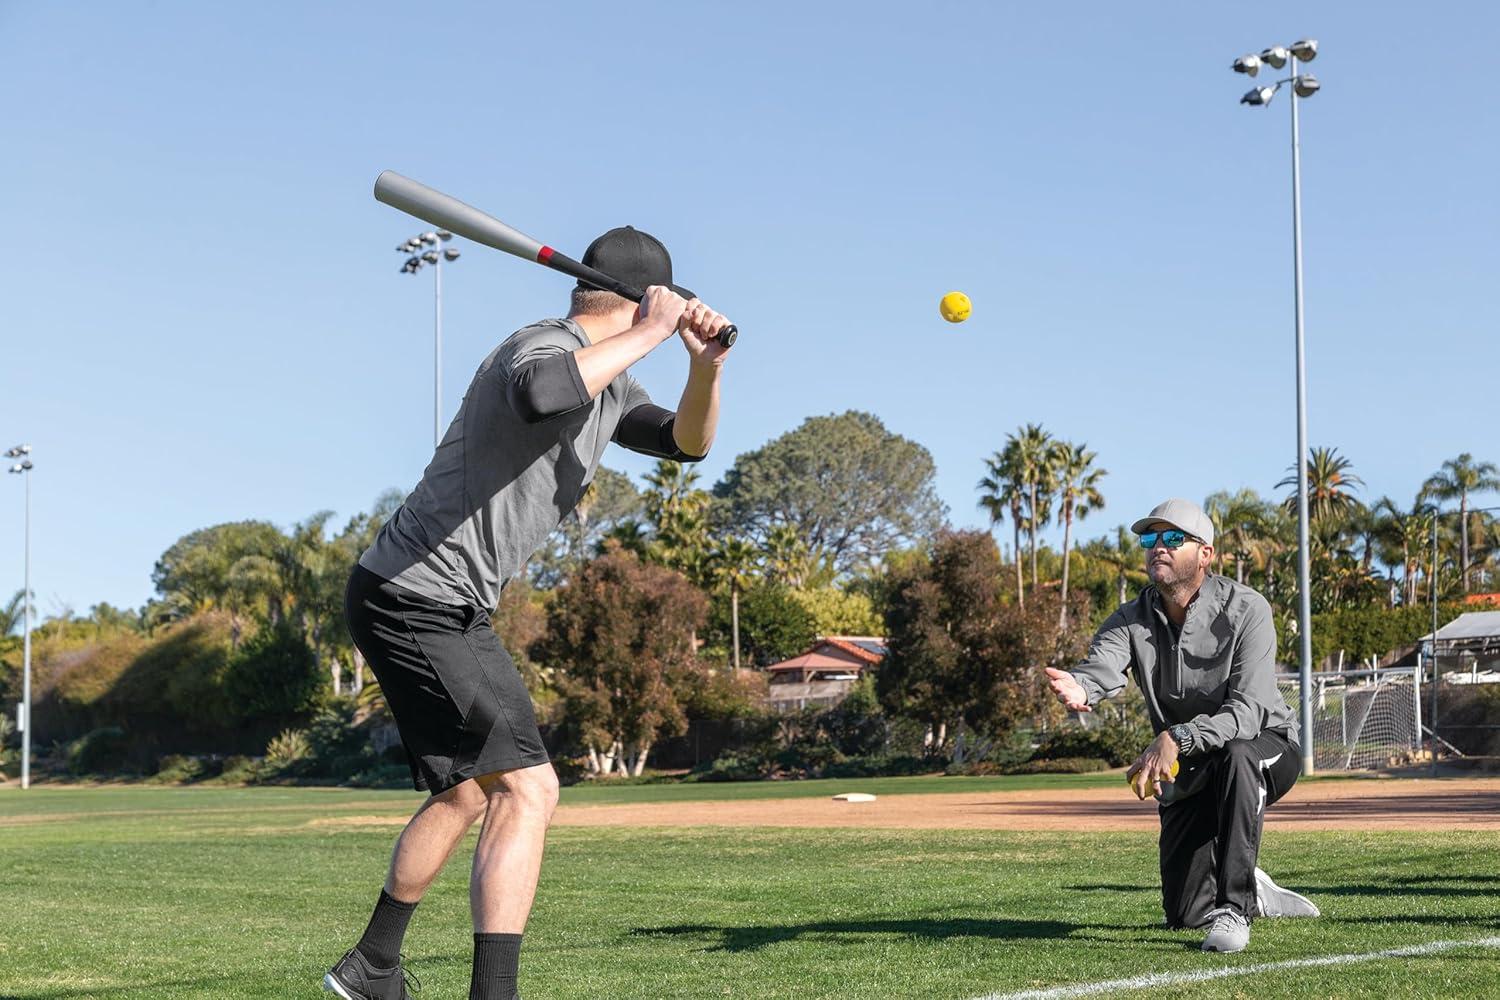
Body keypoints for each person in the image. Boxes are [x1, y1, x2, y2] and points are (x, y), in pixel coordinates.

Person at [324, 226, 734, 1000]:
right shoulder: (542, 346)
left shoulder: (612, 383)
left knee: (469, 790)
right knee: (530, 789)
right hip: (419, 593)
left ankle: (372, 964)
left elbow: (686, 444)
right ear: (648, 297)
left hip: (426, 598)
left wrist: (705, 369)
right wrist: (652, 330)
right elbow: (541, 393)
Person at [1044, 498, 1321, 953]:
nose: (1158, 547)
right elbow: (1103, 667)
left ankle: (1236, 906)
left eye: (1173, 538)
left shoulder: (1248, 609)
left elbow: (1248, 712)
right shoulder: (1128, 619)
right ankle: (1250, 881)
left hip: (1264, 744)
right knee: (1185, 914)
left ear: (1205, 553)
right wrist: (1082, 687)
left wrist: (1177, 736)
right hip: (1191, 762)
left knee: (1238, 755)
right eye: (1150, 539)